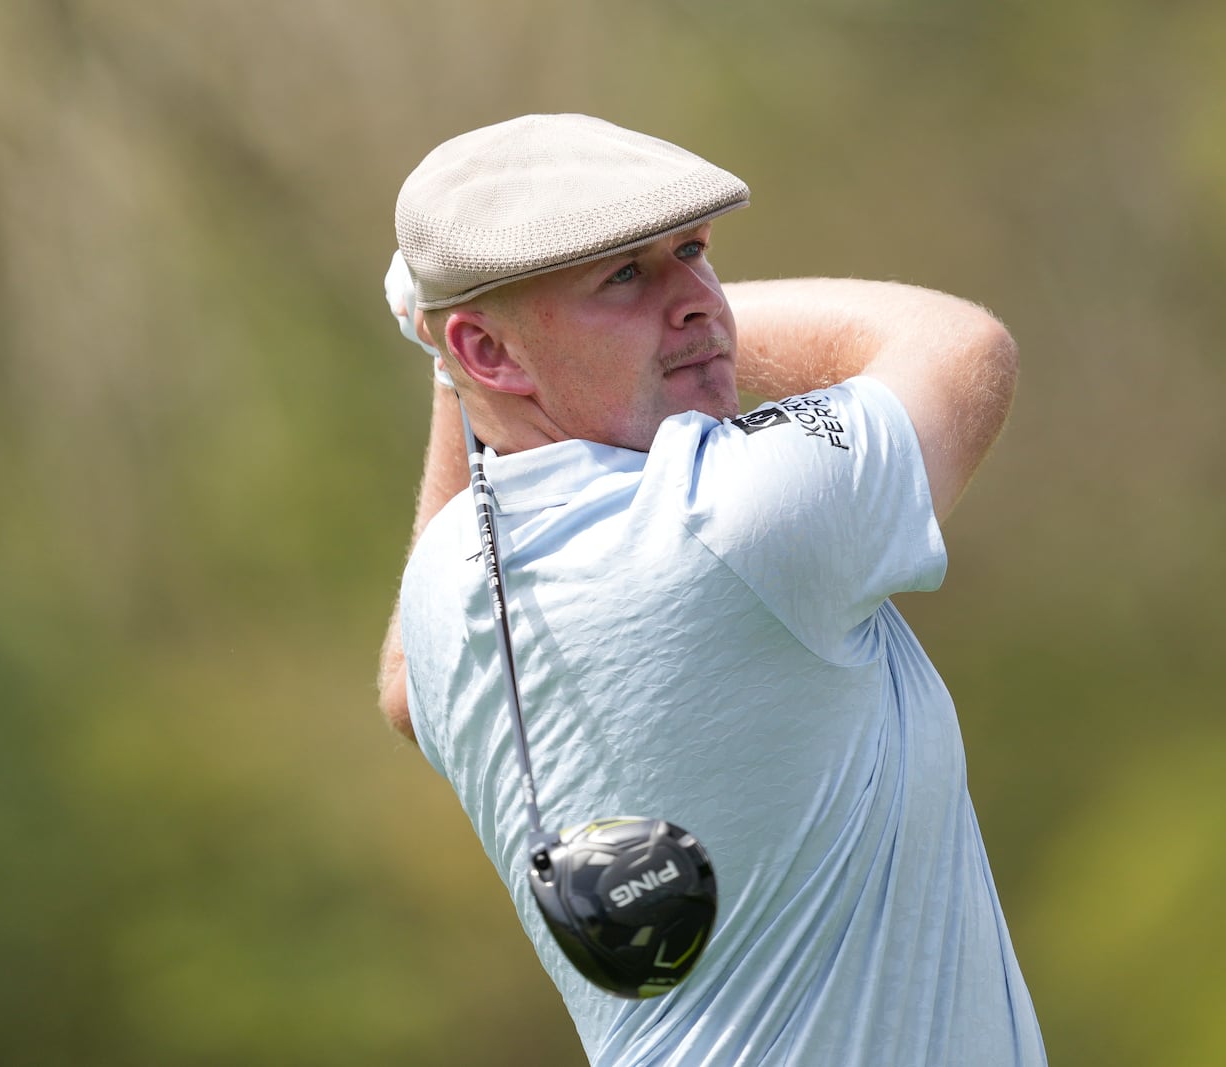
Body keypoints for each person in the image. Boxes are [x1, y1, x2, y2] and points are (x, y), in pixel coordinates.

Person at [376, 113, 1046, 1066]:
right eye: (624, 274)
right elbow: (961, 344)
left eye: (694, 251)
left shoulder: (448, 592)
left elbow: (409, 685)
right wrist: (469, 343)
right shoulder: (731, 514)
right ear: (492, 353)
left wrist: (459, 363)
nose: (699, 300)